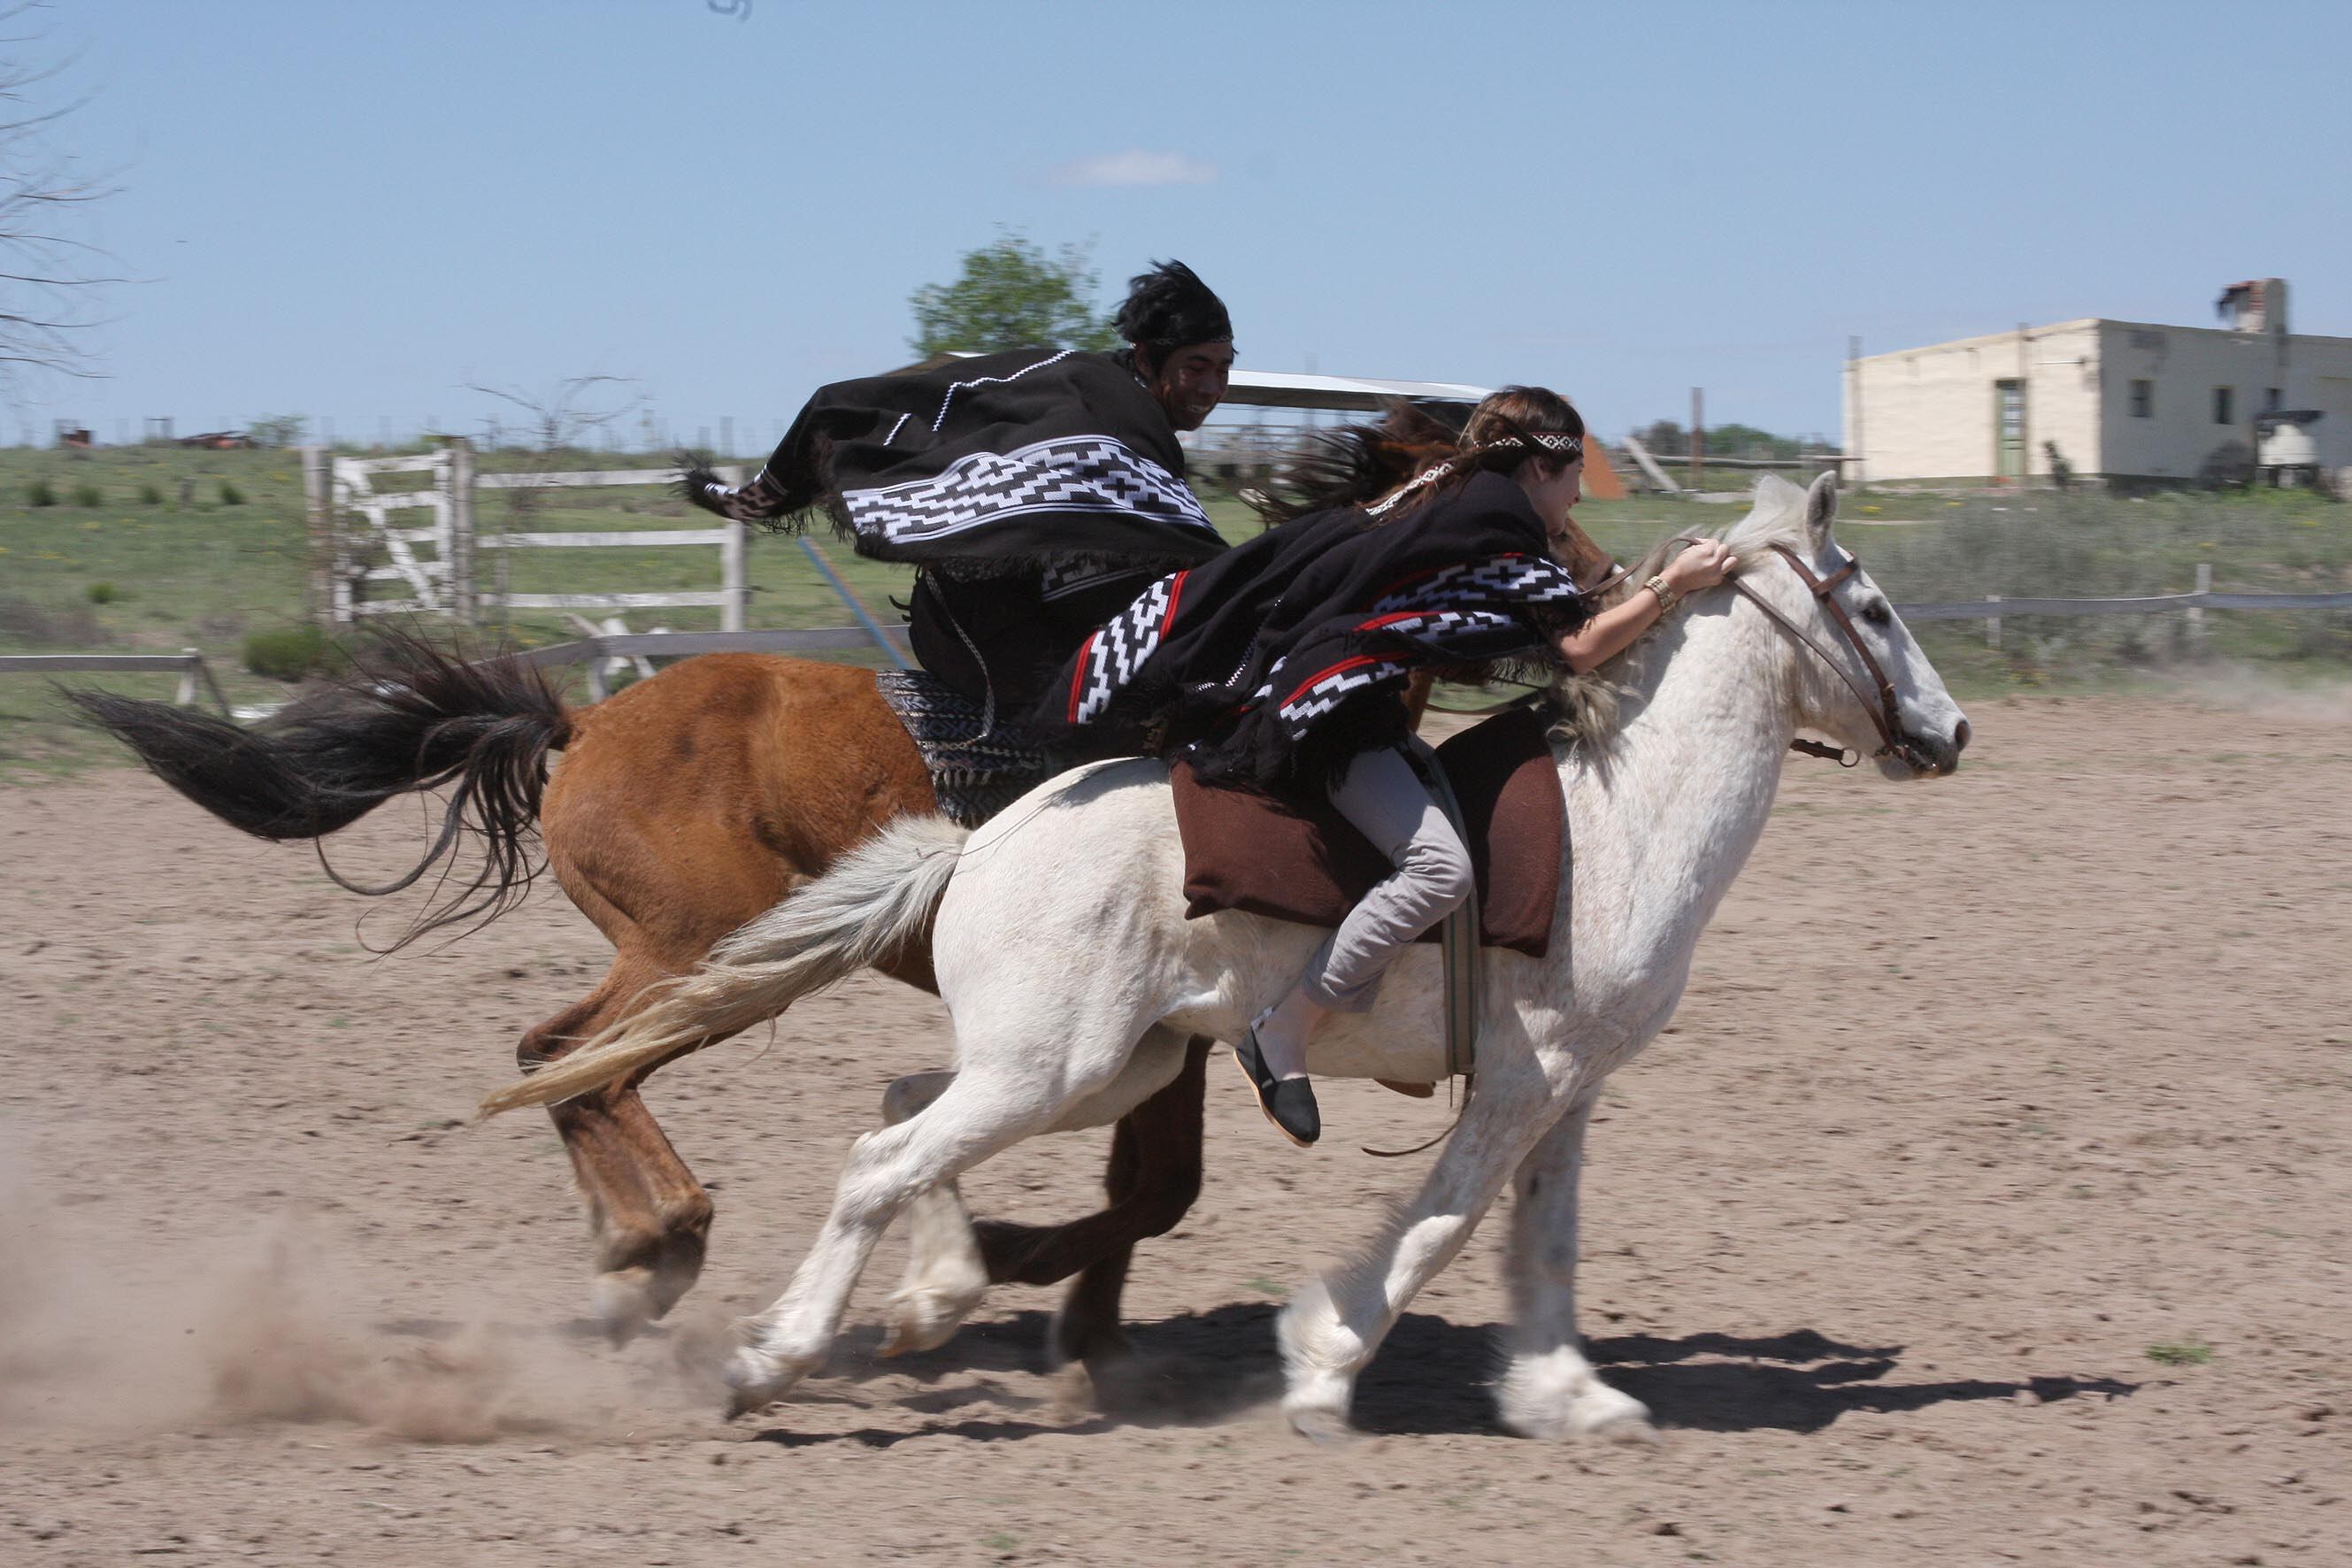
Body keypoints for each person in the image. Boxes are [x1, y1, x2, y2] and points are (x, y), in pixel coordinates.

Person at [1035, 388, 1739, 1145]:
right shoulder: (1501, 513)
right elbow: (1576, 645)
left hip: (1346, 698)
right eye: (1575, 477)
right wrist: (1676, 585)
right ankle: (1286, 1029)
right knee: (1439, 870)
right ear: (1542, 466)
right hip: (1331, 714)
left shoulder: (1452, 492)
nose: (1578, 496)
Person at [684, 261, 1239, 722]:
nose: (1212, 387)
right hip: (976, 624)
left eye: (1222, 368)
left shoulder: (1121, 411)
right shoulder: (1106, 403)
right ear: (1146, 358)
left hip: (1042, 607)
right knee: (1089, 719)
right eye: (1196, 367)